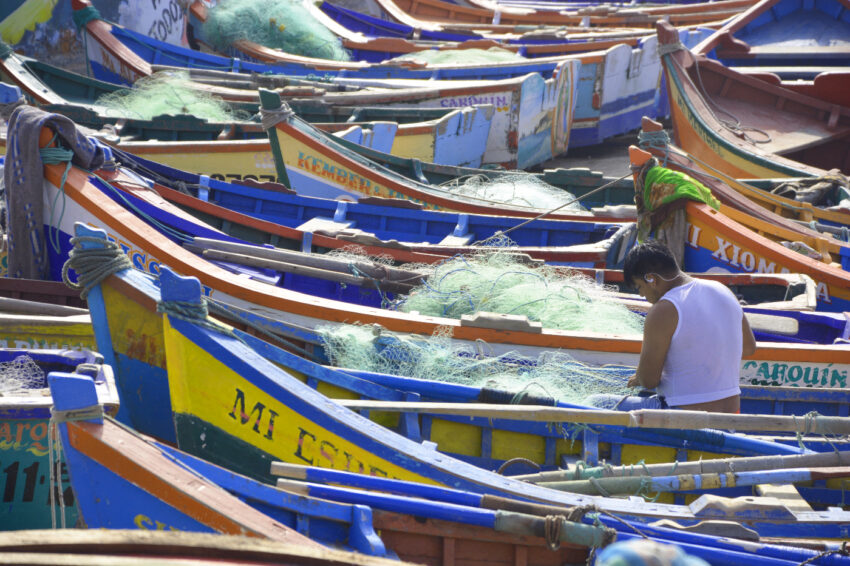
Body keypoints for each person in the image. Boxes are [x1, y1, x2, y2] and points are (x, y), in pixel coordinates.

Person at [622, 240, 756, 413]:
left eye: (639, 287)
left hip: (683, 417)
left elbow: (649, 381)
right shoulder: (723, 290)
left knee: (595, 402)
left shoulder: (663, 310)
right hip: (731, 415)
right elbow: (748, 348)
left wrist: (639, 376)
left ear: (651, 279)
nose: (641, 295)